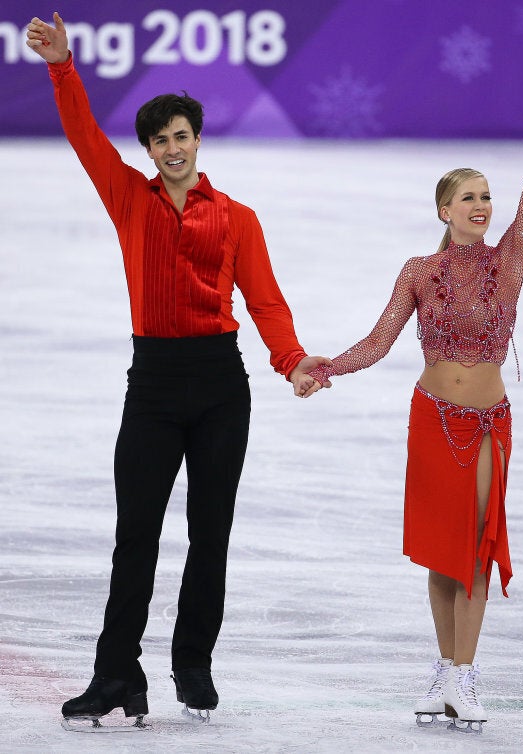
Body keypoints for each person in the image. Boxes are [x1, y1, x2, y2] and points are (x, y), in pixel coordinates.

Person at [26, 12, 330, 729]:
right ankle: (115, 673)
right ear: (151, 149)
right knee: (136, 534)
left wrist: (291, 362)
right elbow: (82, 137)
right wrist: (64, 67)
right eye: (159, 140)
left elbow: (264, 300)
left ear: (197, 140)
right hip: (154, 385)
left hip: (221, 386)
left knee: (209, 530)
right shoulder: (128, 198)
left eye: (180, 136)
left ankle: (192, 662)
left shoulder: (237, 218)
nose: (171, 148)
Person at [307, 56, 523, 733]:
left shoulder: (510, 258)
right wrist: (327, 367)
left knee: (477, 550)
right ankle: (445, 670)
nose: (483, 206)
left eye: (486, 196)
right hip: (431, 419)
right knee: (439, 553)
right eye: (470, 198)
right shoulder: (419, 270)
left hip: (488, 422)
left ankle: (465, 674)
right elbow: (377, 343)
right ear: (444, 210)